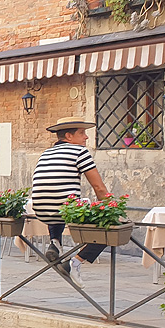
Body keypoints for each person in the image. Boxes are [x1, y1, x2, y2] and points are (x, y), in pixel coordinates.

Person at [31, 115, 112, 273]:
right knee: (110, 229)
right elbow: (98, 187)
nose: (86, 137)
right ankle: (75, 263)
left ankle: (55, 242)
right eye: (82, 133)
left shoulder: (46, 153)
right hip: (64, 212)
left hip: (41, 211)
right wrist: (113, 210)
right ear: (69, 136)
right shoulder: (80, 152)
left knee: (61, 201)